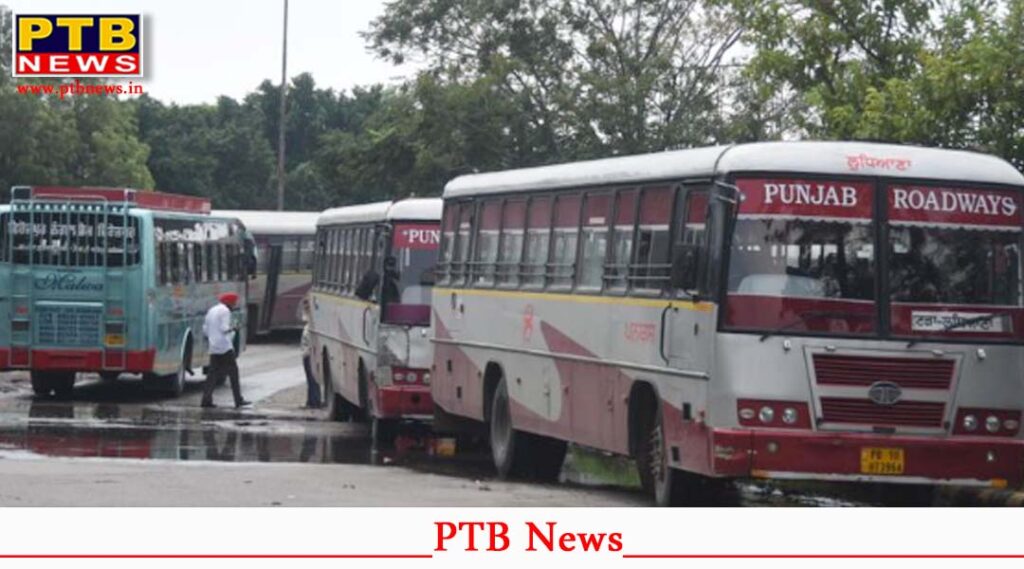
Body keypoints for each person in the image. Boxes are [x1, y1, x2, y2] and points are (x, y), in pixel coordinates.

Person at [201, 292, 250, 409]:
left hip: (213, 346)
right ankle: (238, 400)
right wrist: (234, 328)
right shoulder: (225, 311)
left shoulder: (211, 310)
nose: (234, 305)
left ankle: (206, 400)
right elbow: (224, 328)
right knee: (233, 373)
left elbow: (205, 330)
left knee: (212, 374)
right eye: (234, 303)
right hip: (224, 347)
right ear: (230, 303)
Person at [300, 299, 321, 409]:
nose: (305, 309)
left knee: (312, 379)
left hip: (310, 354)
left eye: (307, 307)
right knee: (310, 379)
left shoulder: (312, 324)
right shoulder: (309, 323)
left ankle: (315, 401)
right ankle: (311, 400)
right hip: (306, 354)